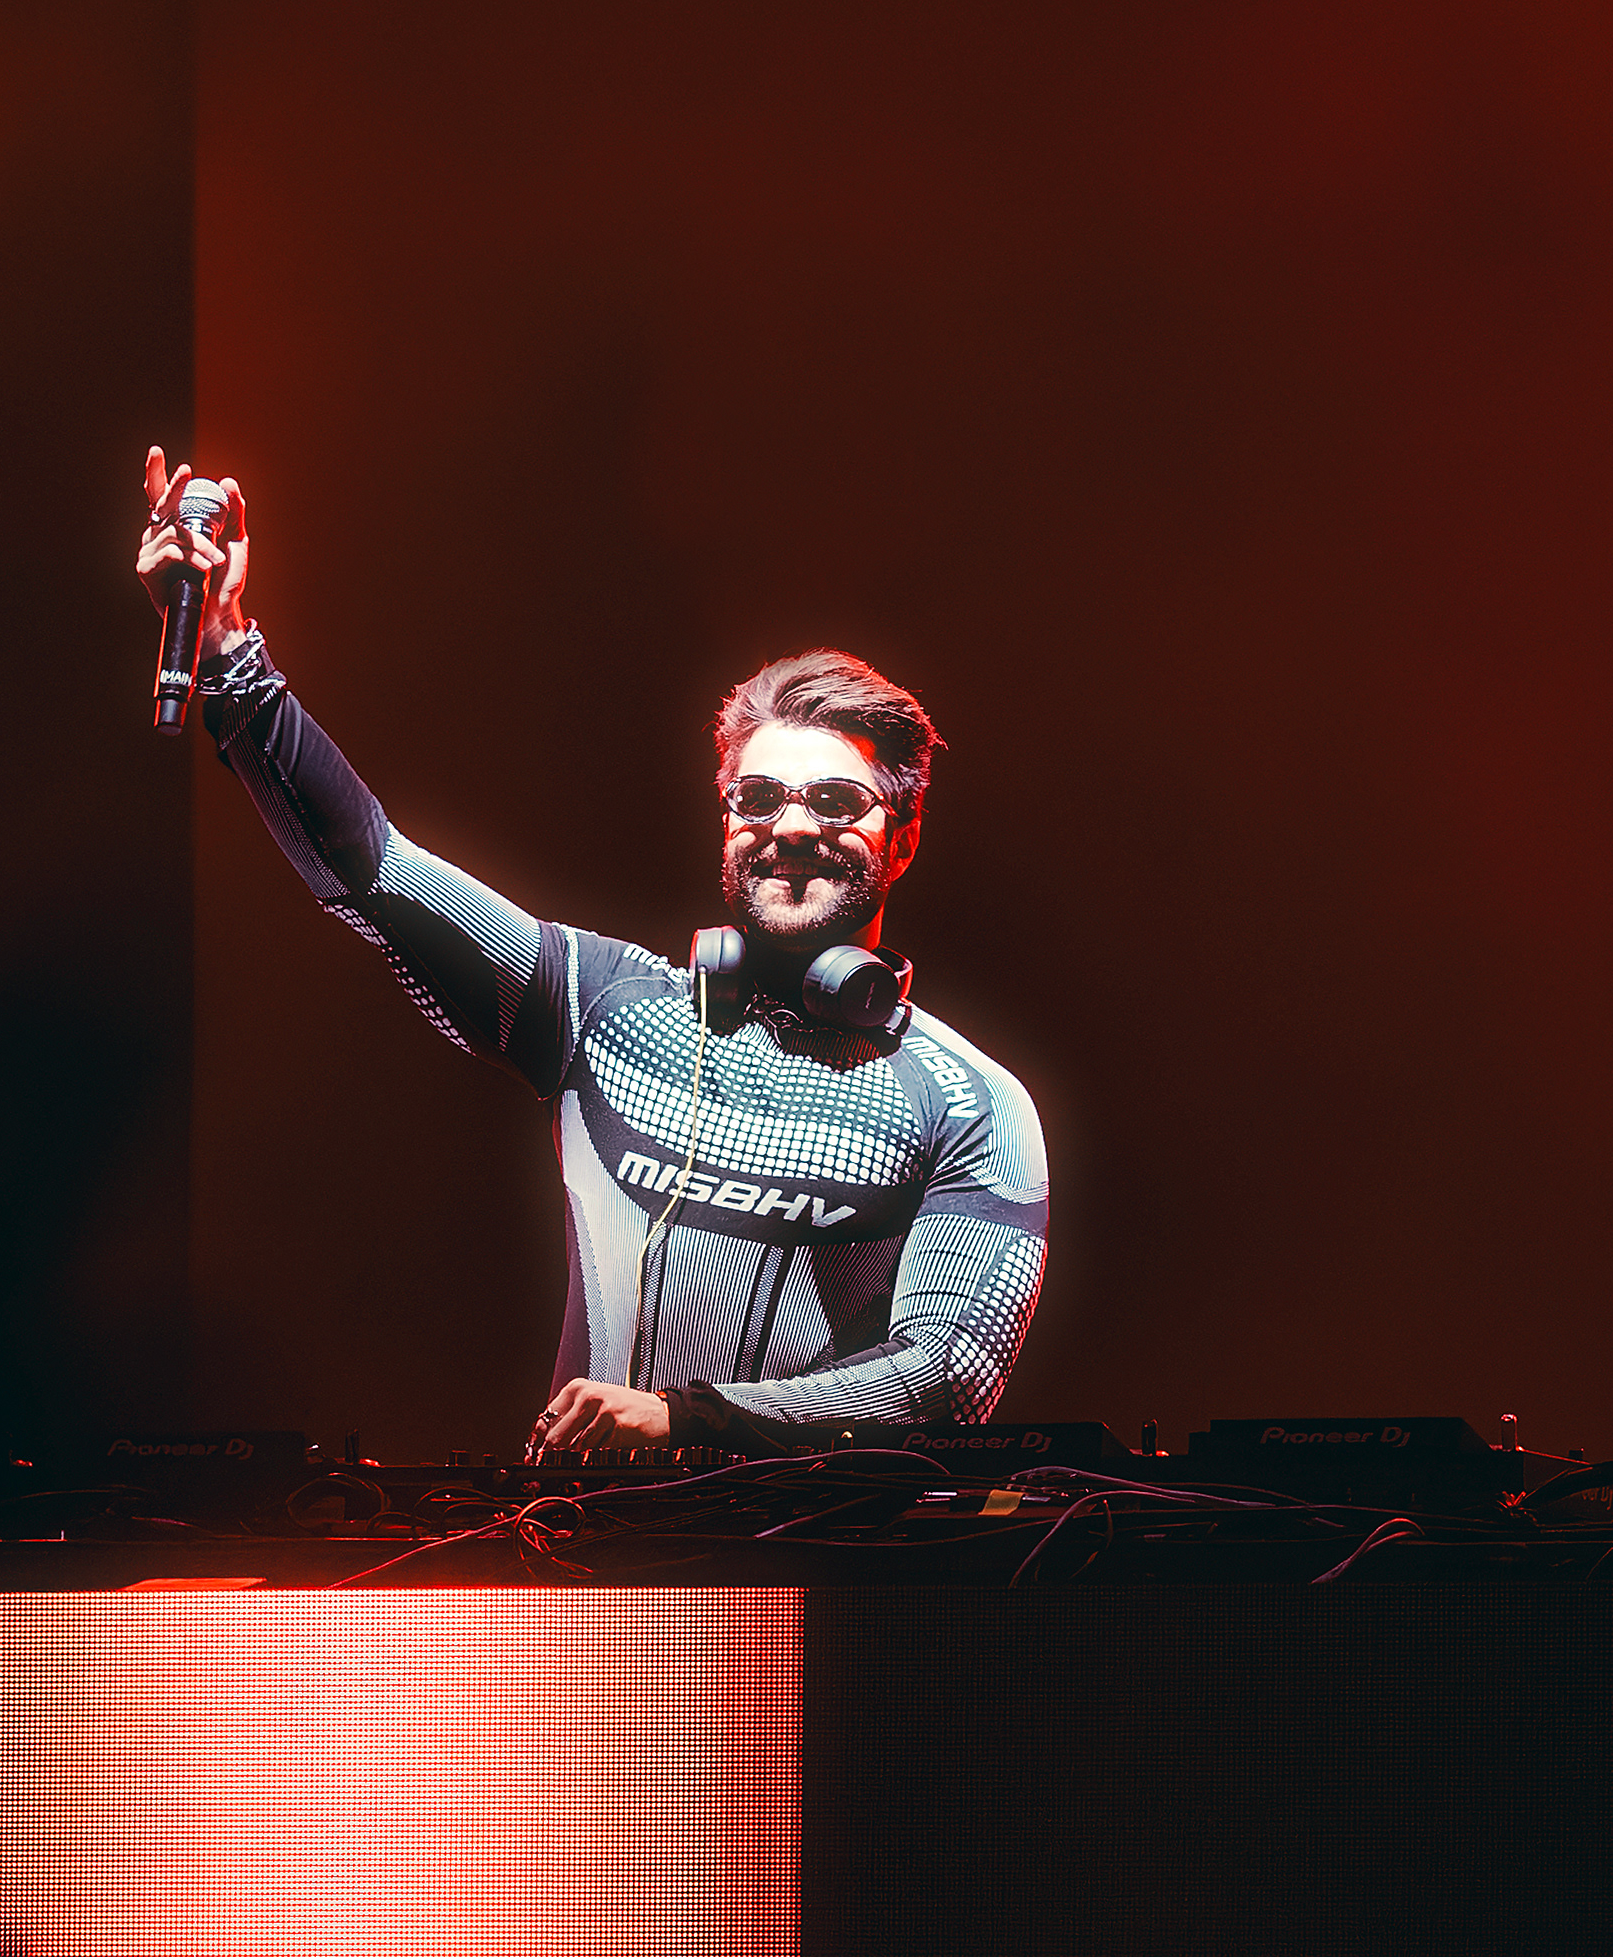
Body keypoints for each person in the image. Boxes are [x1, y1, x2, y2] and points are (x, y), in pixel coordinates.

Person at [138, 449, 1047, 1457]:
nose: (792, 827)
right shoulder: (600, 1004)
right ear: (726, 822)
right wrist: (228, 650)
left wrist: (685, 1420)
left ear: (903, 838)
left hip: (816, 1555)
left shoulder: (974, 1103)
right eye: (758, 798)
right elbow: (374, 870)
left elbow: (949, 1379)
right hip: (581, 1548)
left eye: (836, 801)